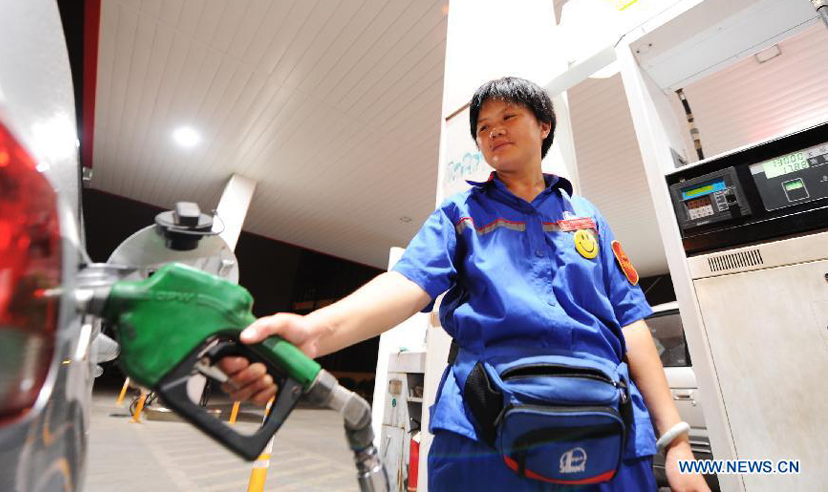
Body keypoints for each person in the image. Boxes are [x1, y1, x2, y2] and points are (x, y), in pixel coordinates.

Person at [219, 77, 709, 491]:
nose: (493, 132)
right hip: (484, 428)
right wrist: (315, 331)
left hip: (609, 427)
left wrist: (677, 441)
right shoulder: (460, 216)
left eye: (508, 118)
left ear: (544, 126)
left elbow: (631, 323)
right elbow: (406, 285)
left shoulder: (589, 219)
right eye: (483, 128)